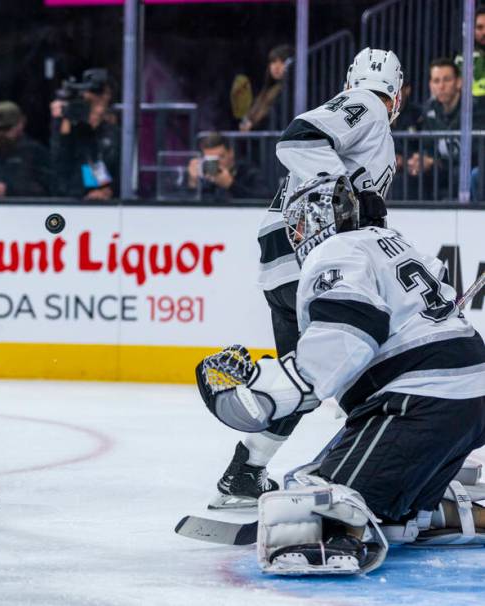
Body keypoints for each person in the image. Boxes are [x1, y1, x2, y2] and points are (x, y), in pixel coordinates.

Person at [197, 174, 485, 575]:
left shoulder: (336, 251)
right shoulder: (390, 242)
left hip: (420, 399)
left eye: (298, 224)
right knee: (399, 519)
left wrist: (268, 392)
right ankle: (441, 509)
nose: (297, 234)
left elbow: (349, 333)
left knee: (313, 498)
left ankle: (344, 531)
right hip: (468, 393)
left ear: (317, 220)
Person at [209, 48, 400, 510]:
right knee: (371, 362)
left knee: (306, 378)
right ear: (398, 95)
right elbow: (297, 138)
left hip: (285, 265)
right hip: (311, 259)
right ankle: (380, 469)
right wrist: (343, 195)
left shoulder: (367, 128)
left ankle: (245, 473)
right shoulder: (369, 105)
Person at [406, 58, 485, 200]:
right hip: (442, 173)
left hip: (468, 172)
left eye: (447, 80)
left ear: (459, 82)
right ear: (430, 85)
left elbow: (476, 153)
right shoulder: (428, 112)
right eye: (436, 81)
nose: (441, 86)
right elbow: (427, 148)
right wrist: (422, 160)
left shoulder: (477, 109)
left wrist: (436, 162)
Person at [49, 68, 120, 200]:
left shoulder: (112, 132)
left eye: (102, 93)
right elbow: (60, 159)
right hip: (70, 196)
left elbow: (97, 161)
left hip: (103, 199)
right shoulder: (73, 124)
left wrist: (103, 188)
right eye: (93, 92)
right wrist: (59, 122)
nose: (97, 98)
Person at [0, 100, 52, 197]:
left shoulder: (35, 152)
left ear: (21, 123)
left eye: (7, 128)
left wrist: (9, 190)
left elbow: (49, 190)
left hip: (27, 209)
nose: (2, 133)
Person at [184, 132, 269, 201]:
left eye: (221, 157)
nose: (217, 163)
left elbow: (265, 199)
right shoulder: (199, 175)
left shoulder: (248, 172)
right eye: (210, 159)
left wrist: (231, 185)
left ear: (231, 153)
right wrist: (192, 183)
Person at [239, 44, 294, 132]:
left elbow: (275, 119)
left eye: (282, 62)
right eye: (273, 61)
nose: (276, 66)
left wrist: (252, 125)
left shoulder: (288, 91)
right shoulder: (268, 89)